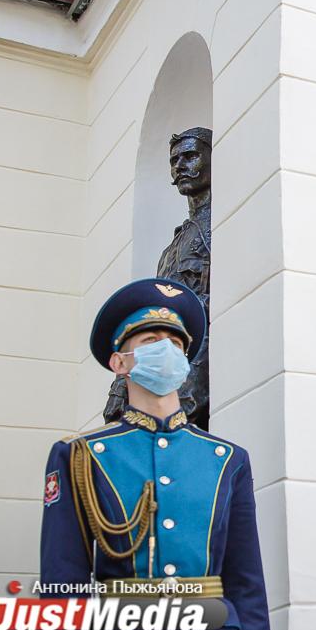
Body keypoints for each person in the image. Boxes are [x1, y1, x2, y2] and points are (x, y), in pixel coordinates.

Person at [40, 277, 270, 630]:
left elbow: (247, 585)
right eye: (150, 342)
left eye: (176, 344)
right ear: (120, 362)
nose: (167, 351)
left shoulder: (227, 460)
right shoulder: (81, 456)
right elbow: (63, 581)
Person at [104, 128, 212, 428]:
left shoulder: (222, 222)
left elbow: (209, 311)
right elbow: (153, 319)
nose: (180, 166)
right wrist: (121, 387)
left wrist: (187, 388)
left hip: (192, 380)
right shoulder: (173, 246)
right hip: (161, 379)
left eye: (191, 156)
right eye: (174, 160)